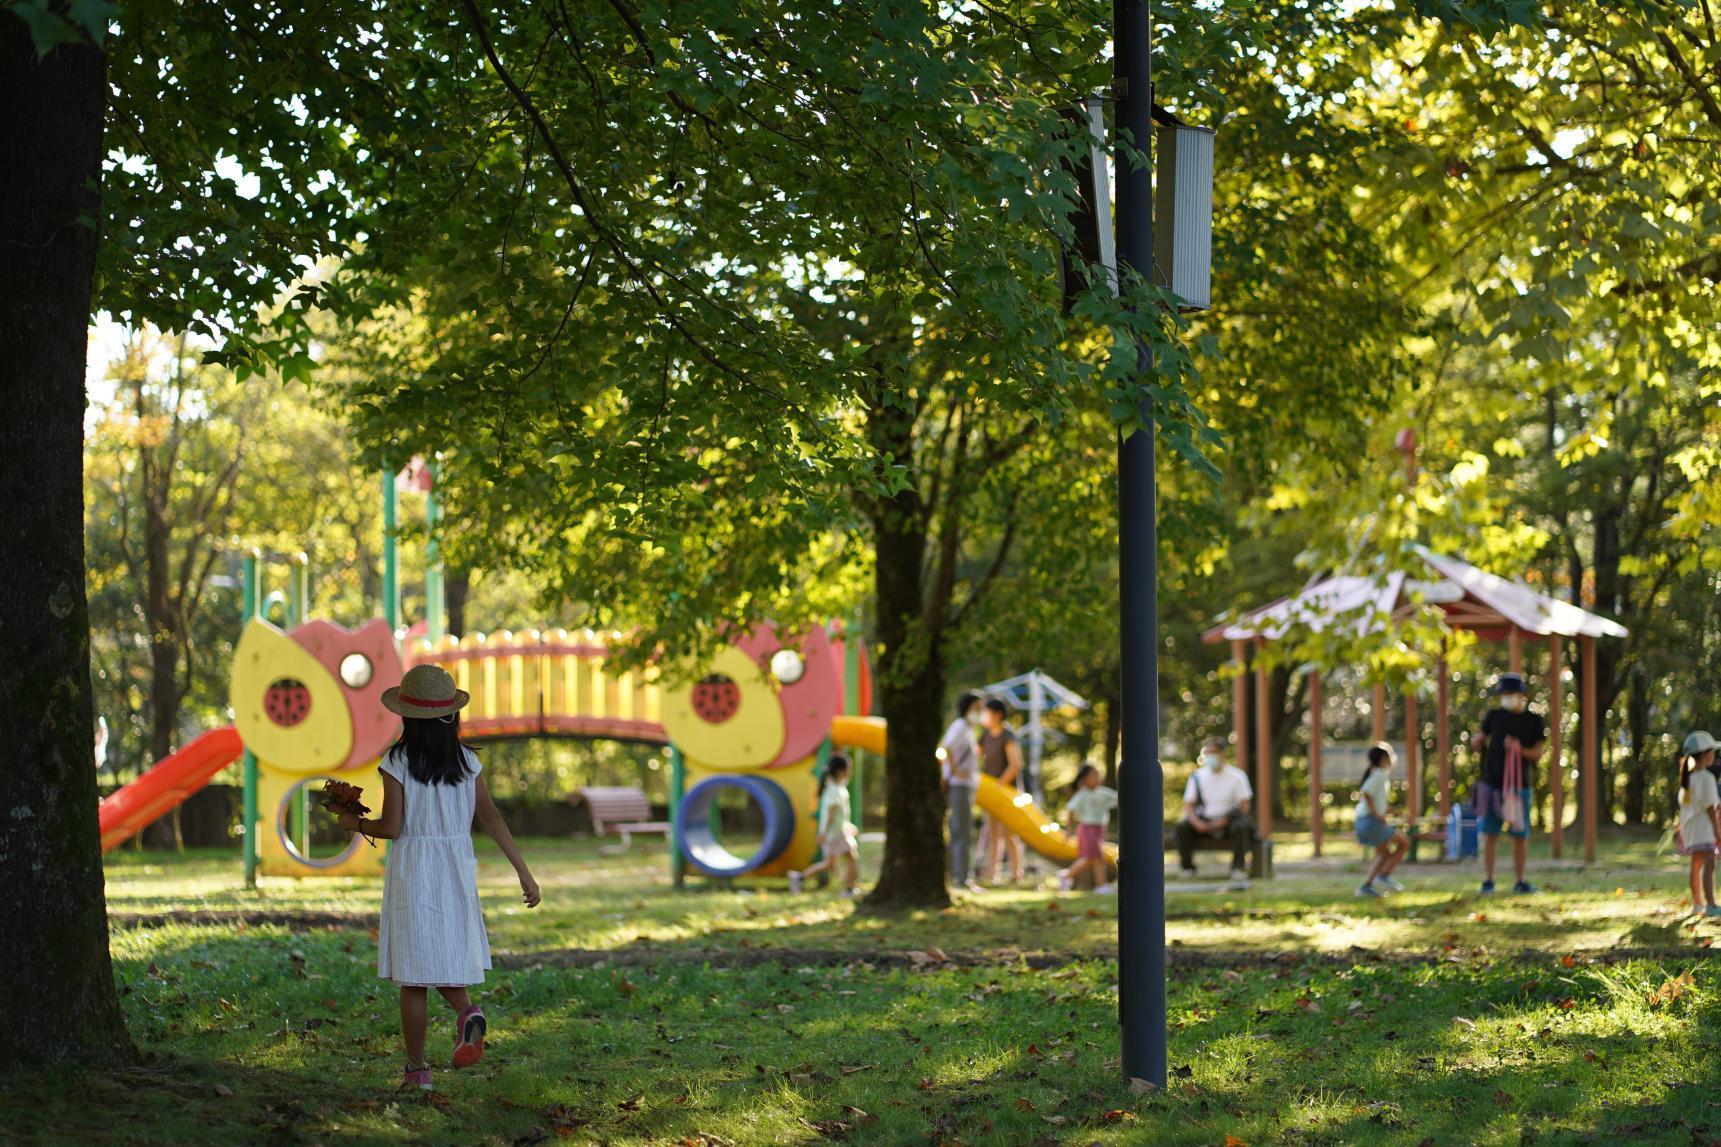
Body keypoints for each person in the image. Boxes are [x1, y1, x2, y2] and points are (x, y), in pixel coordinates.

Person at [339, 664, 541, 1092]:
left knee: (413, 977)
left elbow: (392, 828)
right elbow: (492, 819)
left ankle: (417, 1072)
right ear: (452, 717)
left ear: (407, 717)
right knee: (444, 955)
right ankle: (468, 1014)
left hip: (414, 870)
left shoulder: (397, 761)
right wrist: (523, 872)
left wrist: (353, 824)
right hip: (455, 869)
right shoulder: (469, 763)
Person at [1469, 672, 1546, 895]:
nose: (1506, 697)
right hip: (1491, 784)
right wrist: (1477, 741)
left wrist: (1518, 749)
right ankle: (1488, 880)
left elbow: (1538, 753)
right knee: (1489, 833)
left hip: (1518, 785)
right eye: (1503, 694)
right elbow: (1478, 740)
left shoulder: (1534, 721)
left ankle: (1520, 881)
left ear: (1522, 695)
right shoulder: (1493, 716)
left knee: (1519, 835)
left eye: (1510, 693)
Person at [1175, 737, 1256, 883]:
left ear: (1223, 754)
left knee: (1241, 827)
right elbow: (1189, 805)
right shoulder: (1197, 777)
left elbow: (1244, 807)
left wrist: (1222, 822)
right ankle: (1187, 868)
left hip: (1229, 821)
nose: (1211, 756)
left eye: (1214, 752)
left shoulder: (1237, 776)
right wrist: (1197, 823)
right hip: (1203, 820)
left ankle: (1237, 868)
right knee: (1182, 827)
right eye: (1208, 753)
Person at [788, 754, 860, 897]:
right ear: (840, 771)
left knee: (830, 864)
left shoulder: (836, 787)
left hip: (835, 831)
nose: (850, 772)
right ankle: (849, 889)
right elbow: (832, 815)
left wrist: (847, 825)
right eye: (848, 769)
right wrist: (824, 834)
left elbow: (839, 814)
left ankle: (799, 877)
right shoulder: (834, 790)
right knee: (851, 858)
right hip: (834, 833)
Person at [940, 691, 986, 891]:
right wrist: (956, 770)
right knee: (961, 831)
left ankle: (957, 875)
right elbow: (947, 747)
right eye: (977, 707)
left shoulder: (967, 729)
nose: (980, 712)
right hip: (959, 785)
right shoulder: (960, 726)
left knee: (962, 830)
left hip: (965, 785)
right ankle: (960, 877)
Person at [1353, 743, 1410, 898]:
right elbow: (1366, 793)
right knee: (1404, 843)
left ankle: (1366, 887)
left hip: (1364, 820)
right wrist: (1378, 815)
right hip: (1370, 821)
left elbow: (1375, 800)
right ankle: (1383, 877)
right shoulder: (1380, 774)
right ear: (1384, 758)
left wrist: (1390, 811)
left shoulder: (1378, 774)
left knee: (1384, 853)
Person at [979, 698, 1026, 884]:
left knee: (1009, 833)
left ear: (997, 714)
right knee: (992, 833)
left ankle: (1016, 873)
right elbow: (974, 754)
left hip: (1007, 792)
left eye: (986, 712)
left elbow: (1015, 765)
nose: (983, 716)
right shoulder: (985, 735)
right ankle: (993, 873)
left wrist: (999, 785)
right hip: (991, 792)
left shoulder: (1008, 736)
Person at [1675, 731, 1720, 918]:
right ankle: (1710, 905)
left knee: (1696, 864)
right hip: (1704, 829)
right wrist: (1718, 832)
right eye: (1713, 752)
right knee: (1709, 865)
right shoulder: (1706, 778)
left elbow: (1685, 807)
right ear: (1705, 754)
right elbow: (1710, 809)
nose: (1715, 756)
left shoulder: (1687, 780)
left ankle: (1697, 903)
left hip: (1690, 830)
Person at [1058, 763, 1118, 893]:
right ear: (1085, 779)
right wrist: (1068, 830)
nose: (1097, 778)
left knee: (1093, 858)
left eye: (1098, 775)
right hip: (1087, 829)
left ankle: (1068, 876)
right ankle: (1099, 885)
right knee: (1095, 858)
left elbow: (1118, 798)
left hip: (1098, 830)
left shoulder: (1103, 793)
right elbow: (1071, 811)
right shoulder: (1082, 795)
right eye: (1094, 775)